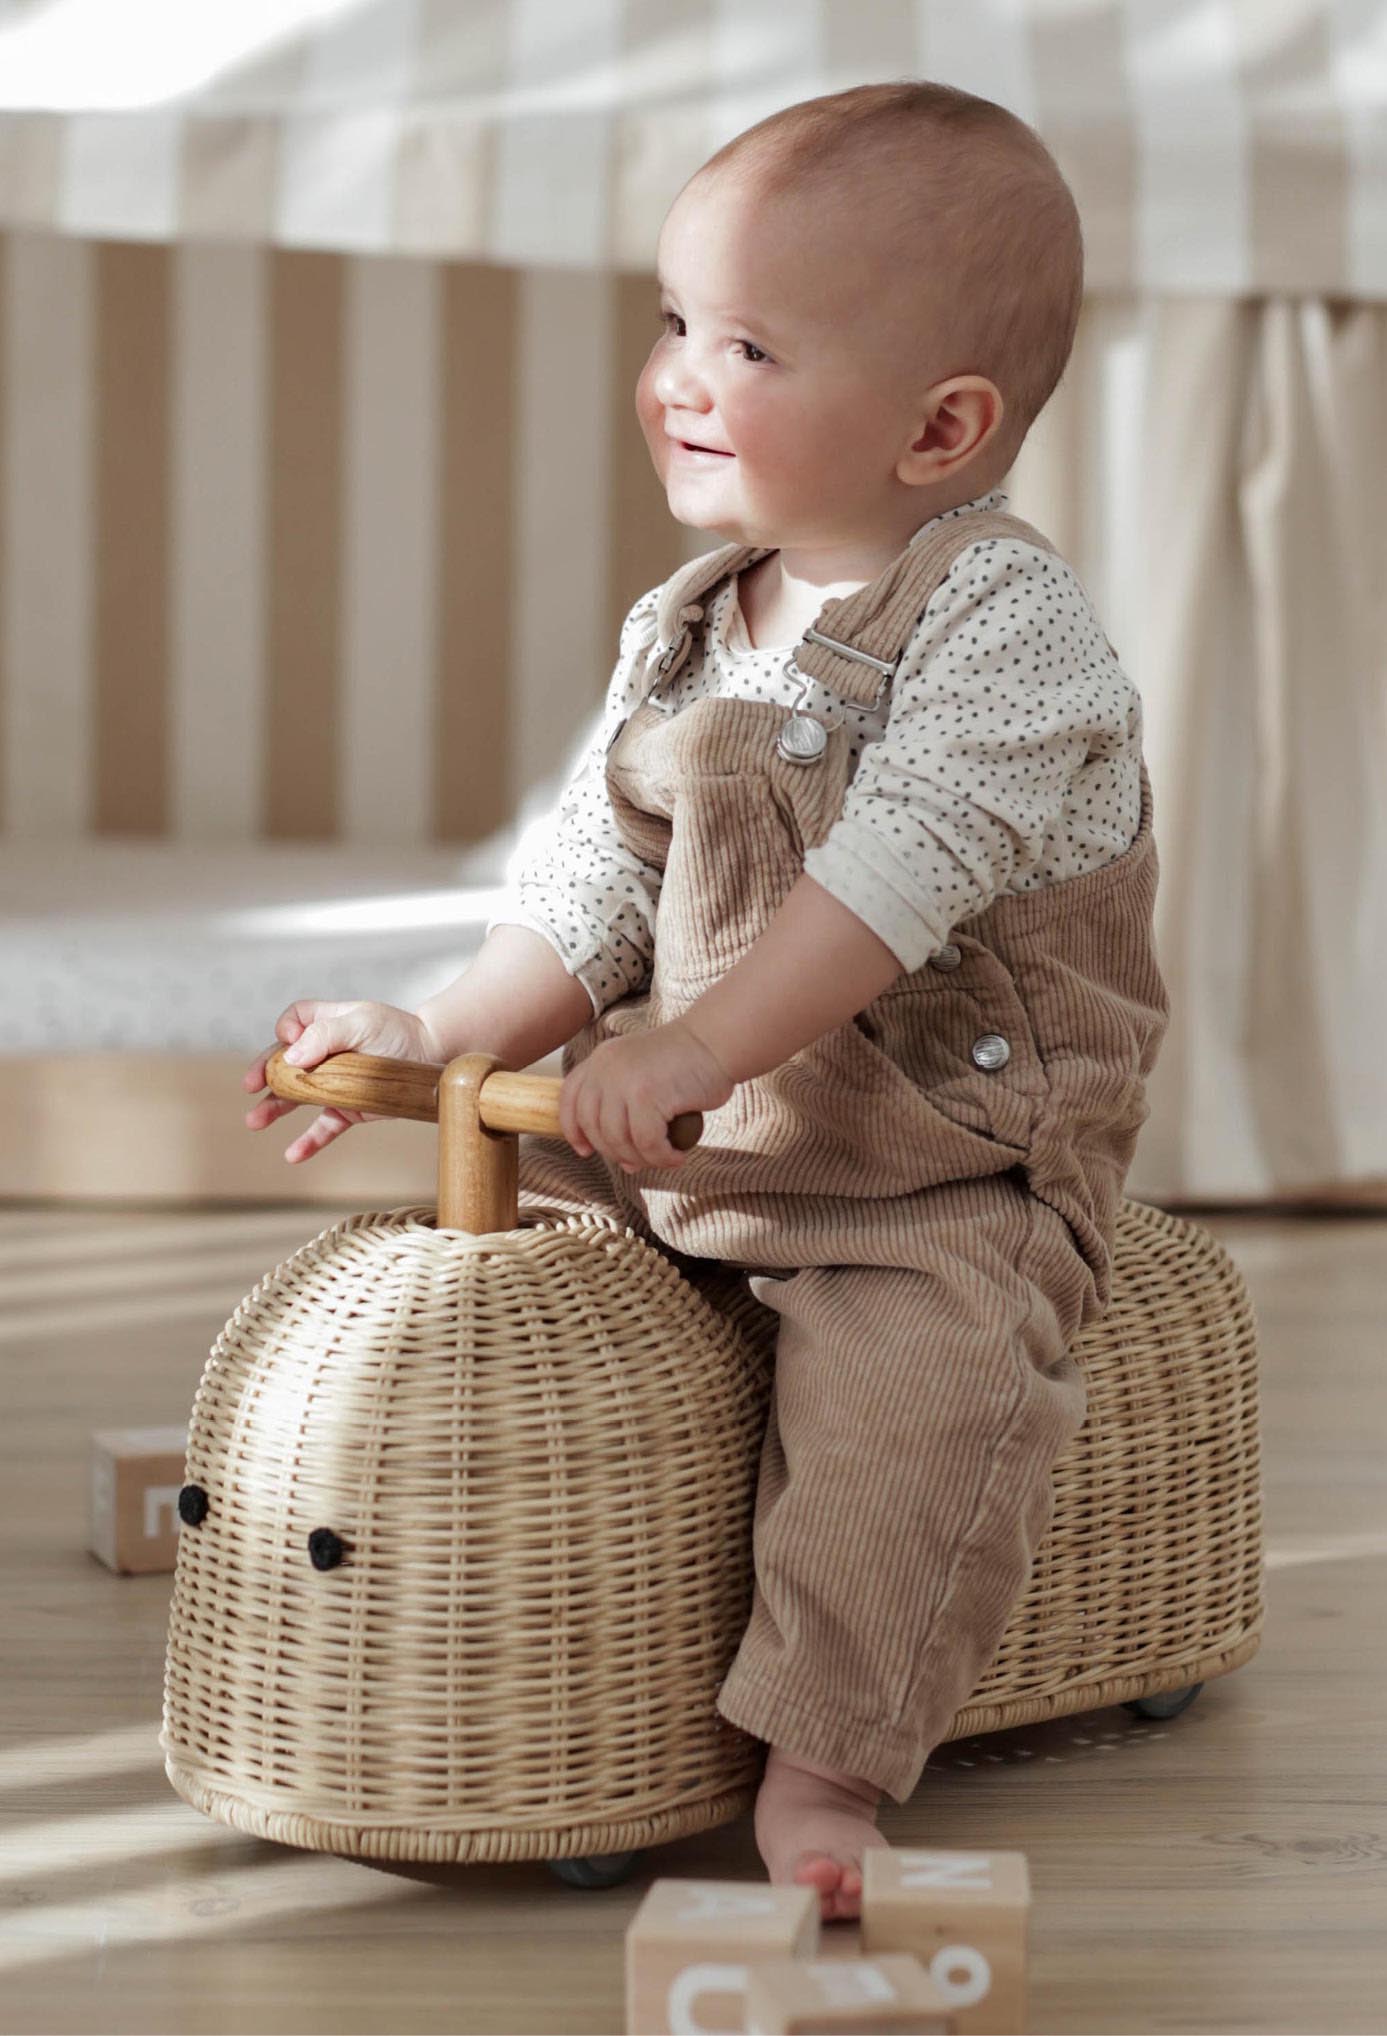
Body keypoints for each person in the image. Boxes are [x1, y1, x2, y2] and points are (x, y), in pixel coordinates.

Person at [242, 80, 1170, 1923]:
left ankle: (829, 1772)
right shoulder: (686, 622)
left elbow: (883, 887)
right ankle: (454, 1615)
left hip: (940, 1172)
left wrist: (690, 1042)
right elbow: (590, 884)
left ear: (942, 427)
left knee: (921, 1405)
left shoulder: (1005, 622)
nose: (676, 372)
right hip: (696, 1137)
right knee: (485, 1294)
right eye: (673, 319)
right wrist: (448, 1036)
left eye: (745, 342)